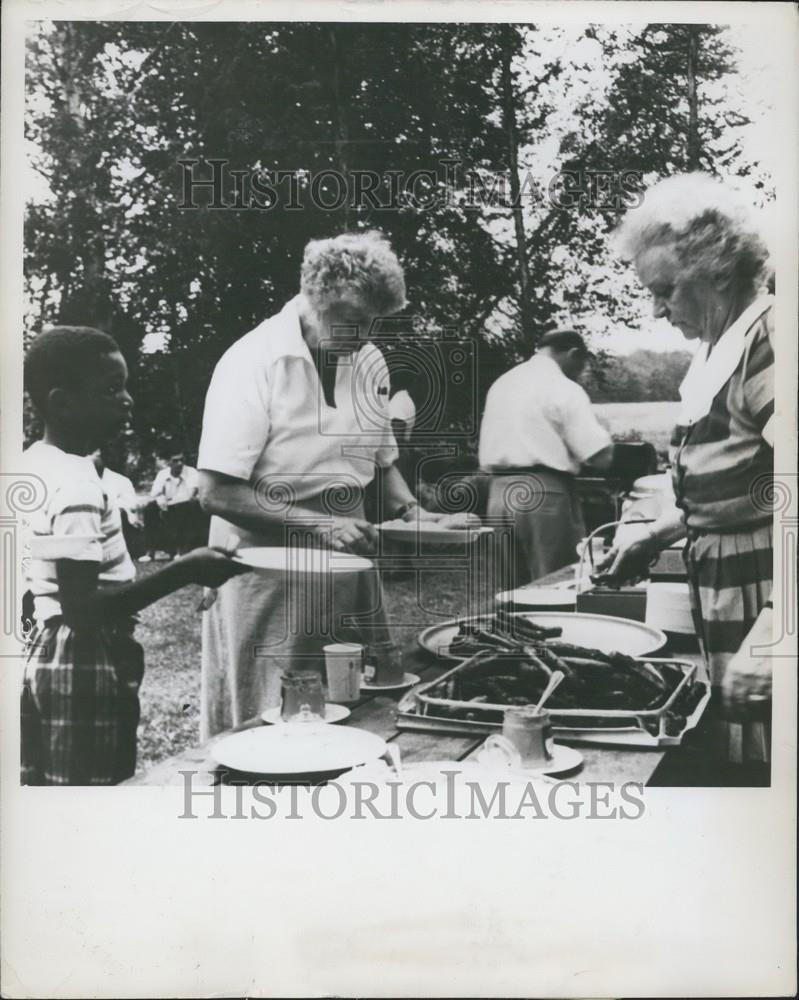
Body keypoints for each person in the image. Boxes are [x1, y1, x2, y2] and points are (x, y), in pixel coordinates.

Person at [197, 230, 474, 737]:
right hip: (267, 575)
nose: (366, 335)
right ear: (312, 299)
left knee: (361, 713)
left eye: (375, 323)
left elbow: (383, 466)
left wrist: (421, 517)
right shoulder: (253, 361)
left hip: (347, 571)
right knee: (273, 723)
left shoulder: (369, 362)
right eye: (352, 321)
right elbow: (215, 492)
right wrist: (317, 523)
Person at [597, 172, 774, 769]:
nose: (656, 307)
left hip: (768, 591)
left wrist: (777, 636)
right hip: (732, 590)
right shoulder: (717, 353)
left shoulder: (772, 343)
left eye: (666, 289)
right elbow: (739, 484)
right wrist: (658, 533)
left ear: (717, 272)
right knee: (747, 753)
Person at [20, 326, 246, 785]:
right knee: (94, 786)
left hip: (41, 651)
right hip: (84, 655)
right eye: (110, 390)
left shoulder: (36, 466)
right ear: (63, 402)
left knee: (48, 782)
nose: (127, 401)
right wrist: (185, 569)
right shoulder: (77, 485)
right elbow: (83, 610)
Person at [478, 328, 614, 587]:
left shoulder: (504, 382)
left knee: (510, 590)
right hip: (543, 493)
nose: (581, 372)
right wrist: (606, 433)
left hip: (497, 494)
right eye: (581, 364)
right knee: (555, 583)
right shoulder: (563, 387)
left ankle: (511, 628)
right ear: (574, 354)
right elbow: (600, 457)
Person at [141, 453, 202, 560]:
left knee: (184, 508)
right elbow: (155, 493)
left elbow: (190, 495)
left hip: (186, 505)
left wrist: (169, 503)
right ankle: (150, 553)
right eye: (175, 461)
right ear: (169, 462)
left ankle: (181, 551)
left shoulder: (191, 472)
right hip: (168, 505)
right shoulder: (162, 474)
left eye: (182, 460)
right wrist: (161, 502)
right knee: (149, 509)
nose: (180, 464)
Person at [91, 448, 145, 558]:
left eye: (97, 456)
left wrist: (112, 505)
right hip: (93, 517)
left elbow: (131, 504)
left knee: (119, 513)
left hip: (118, 520)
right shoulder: (83, 479)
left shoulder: (121, 480)